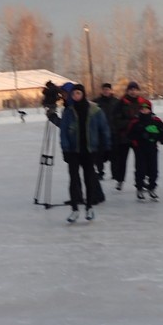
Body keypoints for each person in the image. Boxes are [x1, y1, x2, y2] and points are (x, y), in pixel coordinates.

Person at [58, 84, 110, 222]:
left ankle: (89, 207)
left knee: (89, 179)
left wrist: (106, 147)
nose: (76, 96)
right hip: (74, 151)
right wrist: (65, 149)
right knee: (74, 180)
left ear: (83, 94)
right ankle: (74, 209)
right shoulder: (68, 111)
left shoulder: (94, 110)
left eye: (78, 93)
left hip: (89, 150)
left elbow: (103, 128)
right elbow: (63, 131)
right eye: (74, 94)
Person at [127, 100, 163, 200]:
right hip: (140, 149)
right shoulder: (135, 121)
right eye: (142, 109)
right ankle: (139, 188)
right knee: (140, 169)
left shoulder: (156, 120)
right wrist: (140, 136)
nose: (145, 111)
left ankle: (152, 187)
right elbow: (129, 135)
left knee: (153, 170)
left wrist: (162, 138)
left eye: (147, 109)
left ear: (150, 110)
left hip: (152, 148)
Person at [110, 81, 147, 191]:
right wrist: (131, 122)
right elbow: (116, 120)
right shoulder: (121, 103)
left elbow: (148, 117)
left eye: (135, 89)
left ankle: (140, 181)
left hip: (139, 137)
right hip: (124, 137)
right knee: (122, 160)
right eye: (131, 89)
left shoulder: (143, 102)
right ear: (127, 91)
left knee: (140, 161)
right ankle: (120, 180)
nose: (133, 91)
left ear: (138, 90)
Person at [92, 83, 119, 179]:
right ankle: (100, 172)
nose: (106, 91)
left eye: (108, 89)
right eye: (104, 89)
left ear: (111, 90)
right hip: (100, 132)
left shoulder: (116, 102)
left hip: (113, 131)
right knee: (99, 154)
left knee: (114, 154)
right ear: (102, 91)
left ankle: (115, 173)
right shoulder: (96, 102)